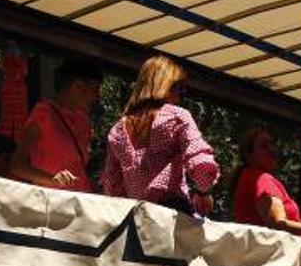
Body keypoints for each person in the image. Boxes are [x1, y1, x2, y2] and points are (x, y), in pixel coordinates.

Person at [102, 56, 219, 214]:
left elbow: (112, 185)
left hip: (136, 217)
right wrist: (203, 192)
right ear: (165, 85)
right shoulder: (176, 116)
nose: (180, 94)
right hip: (171, 213)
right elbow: (201, 162)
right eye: (178, 87)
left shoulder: (117, 130)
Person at [11, 57, 103, 191]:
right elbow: (17, 165)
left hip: (78, 202)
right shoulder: (44, 113)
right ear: (77, 86)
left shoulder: (84, 121)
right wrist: (52, 180)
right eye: (94, 89)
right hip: (51, 203)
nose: (97, 97)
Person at [229, 127, 301, 234]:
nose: (272, 149)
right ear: (249, 155)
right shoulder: (259, 178)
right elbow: (278, 224)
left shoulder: (249, 177)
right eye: (264, 146)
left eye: (272, 144)